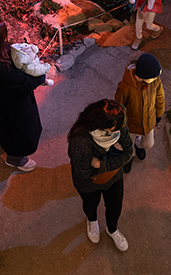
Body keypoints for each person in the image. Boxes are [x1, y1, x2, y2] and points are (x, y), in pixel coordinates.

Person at [0, 18, 44, 172]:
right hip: (14, 107)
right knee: (21, 133)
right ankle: (15, 159)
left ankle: (13, 152)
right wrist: (40, 76)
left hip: (2, 104)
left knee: (8, 128)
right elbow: (22, 83)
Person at [67, 99, 135, 251]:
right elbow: (85, 172)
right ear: (98, 125)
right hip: (88, 182)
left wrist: (100, 164)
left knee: (115, 204)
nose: (117, 133)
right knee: (91, 204)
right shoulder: (80, 140)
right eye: (112, 131)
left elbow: (129, 153)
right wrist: (116, 156)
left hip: (113, 176)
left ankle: (112, 229)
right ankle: (92, 220)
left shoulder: (118, 123)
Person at [114, 53, 165, 169]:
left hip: (149, 119)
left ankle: (139, 145)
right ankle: (129, 157)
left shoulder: (155, 80)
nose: (156, 78)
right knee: (127, 145)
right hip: (130, 124)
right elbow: (119, 106)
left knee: (148, 143)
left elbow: (160, 96)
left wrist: (159, 113)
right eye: (153, 77)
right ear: (143, 76)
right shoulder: (125, 87)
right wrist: (120, 124)